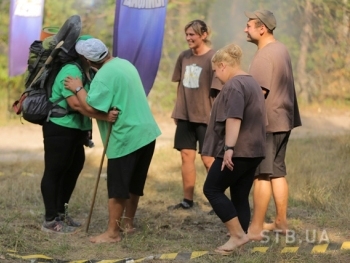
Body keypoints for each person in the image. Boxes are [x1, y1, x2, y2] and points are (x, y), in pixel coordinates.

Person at [64, 38, 161, 243]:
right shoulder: (124, 63)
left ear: (87, 60)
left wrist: (78, 87)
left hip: (126, 135)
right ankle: (128, 224)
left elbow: (91, 107)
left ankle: (112, 233)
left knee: (118, 185)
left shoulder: (103, 76)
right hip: (147, 132)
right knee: (135, 183)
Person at [41, 35, 117, 234]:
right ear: (84, 56)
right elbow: (76, 104)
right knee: (55, 171)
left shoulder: (85, 71)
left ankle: (61, 213)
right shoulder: (70, 70)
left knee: (73, 169)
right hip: (60, 127)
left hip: (76, 129)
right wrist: (104, 116)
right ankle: (50, 220)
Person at [202, 43, 266, 255]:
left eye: (215, 72)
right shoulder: (252, 82)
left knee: (212, 189)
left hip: (239, 150)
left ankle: (237, 235)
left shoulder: (234, 85)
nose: (216, 77)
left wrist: (229, 147)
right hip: (255, 150)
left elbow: (234, 117)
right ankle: (240, 240)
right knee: (239, 195)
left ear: (222, 66)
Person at [244, 10, 302, 240]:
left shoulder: (264, 55)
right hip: (283, 120)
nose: (244, 29)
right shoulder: (282, 49)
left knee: (262, 175)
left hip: (267, 124)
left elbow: (258, 94)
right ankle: (280, 222)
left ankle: (256, 228)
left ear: (262, 28)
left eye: (248, 25)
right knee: (277, 172)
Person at [169, 20, 221, 210]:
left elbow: (219, 90)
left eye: (192, 34)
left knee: (209, 159)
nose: (188, 38)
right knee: (185, 156)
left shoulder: (213, 58)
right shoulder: (184, 57)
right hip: (185, 116)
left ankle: (218, 201)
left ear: (204, 35)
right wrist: (178, 110)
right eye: (187, 34)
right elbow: (179, 85)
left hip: (206, 117)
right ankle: (187, 200)